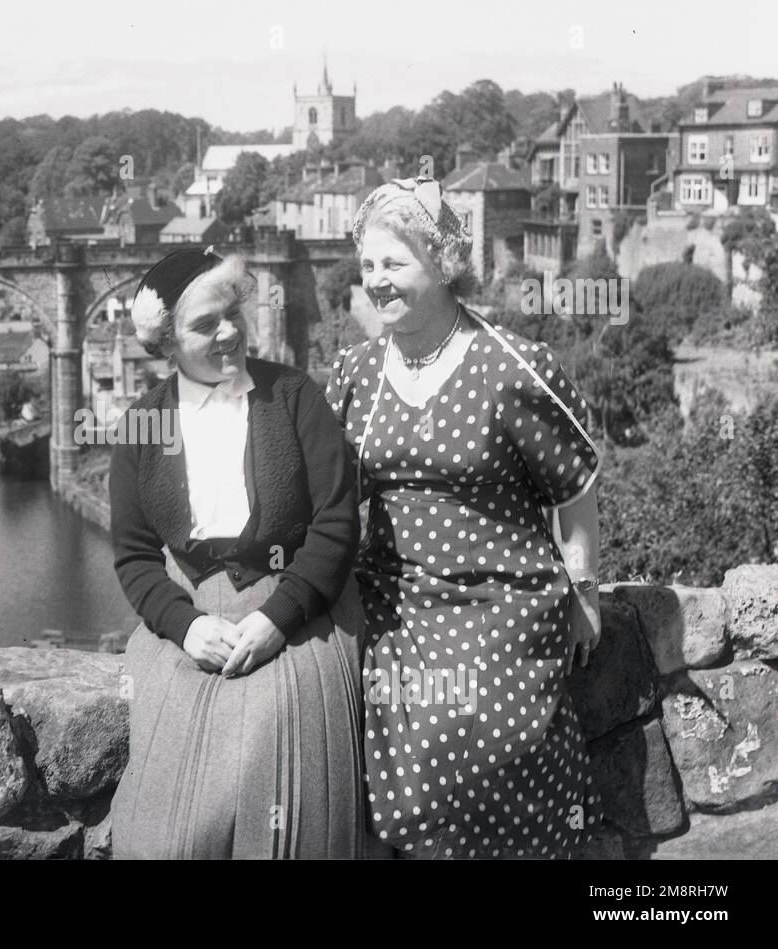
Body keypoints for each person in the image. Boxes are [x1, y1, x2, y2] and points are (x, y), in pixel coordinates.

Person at [325, 177, 603, 858]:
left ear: (444, 261)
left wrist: (585, 587)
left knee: (476, 729)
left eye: (395, 264)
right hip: (393, 603)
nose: (377, 282)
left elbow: (577, 482)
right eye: (368, 267)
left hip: (498, 599)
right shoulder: (356, 371)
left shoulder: (512, 367)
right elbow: (320, 497)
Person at [109, 246, 364, 859]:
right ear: (167, 343)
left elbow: (337, 520)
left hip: (302, 609)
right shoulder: (142, 426)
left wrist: (279, 618)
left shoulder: (295, 396)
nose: (228, 334)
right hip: (191, 618)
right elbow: (135, 556)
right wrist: (186, 625)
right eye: (204, 325)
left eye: (233, 315)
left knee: (281, 761)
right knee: (166, 816)